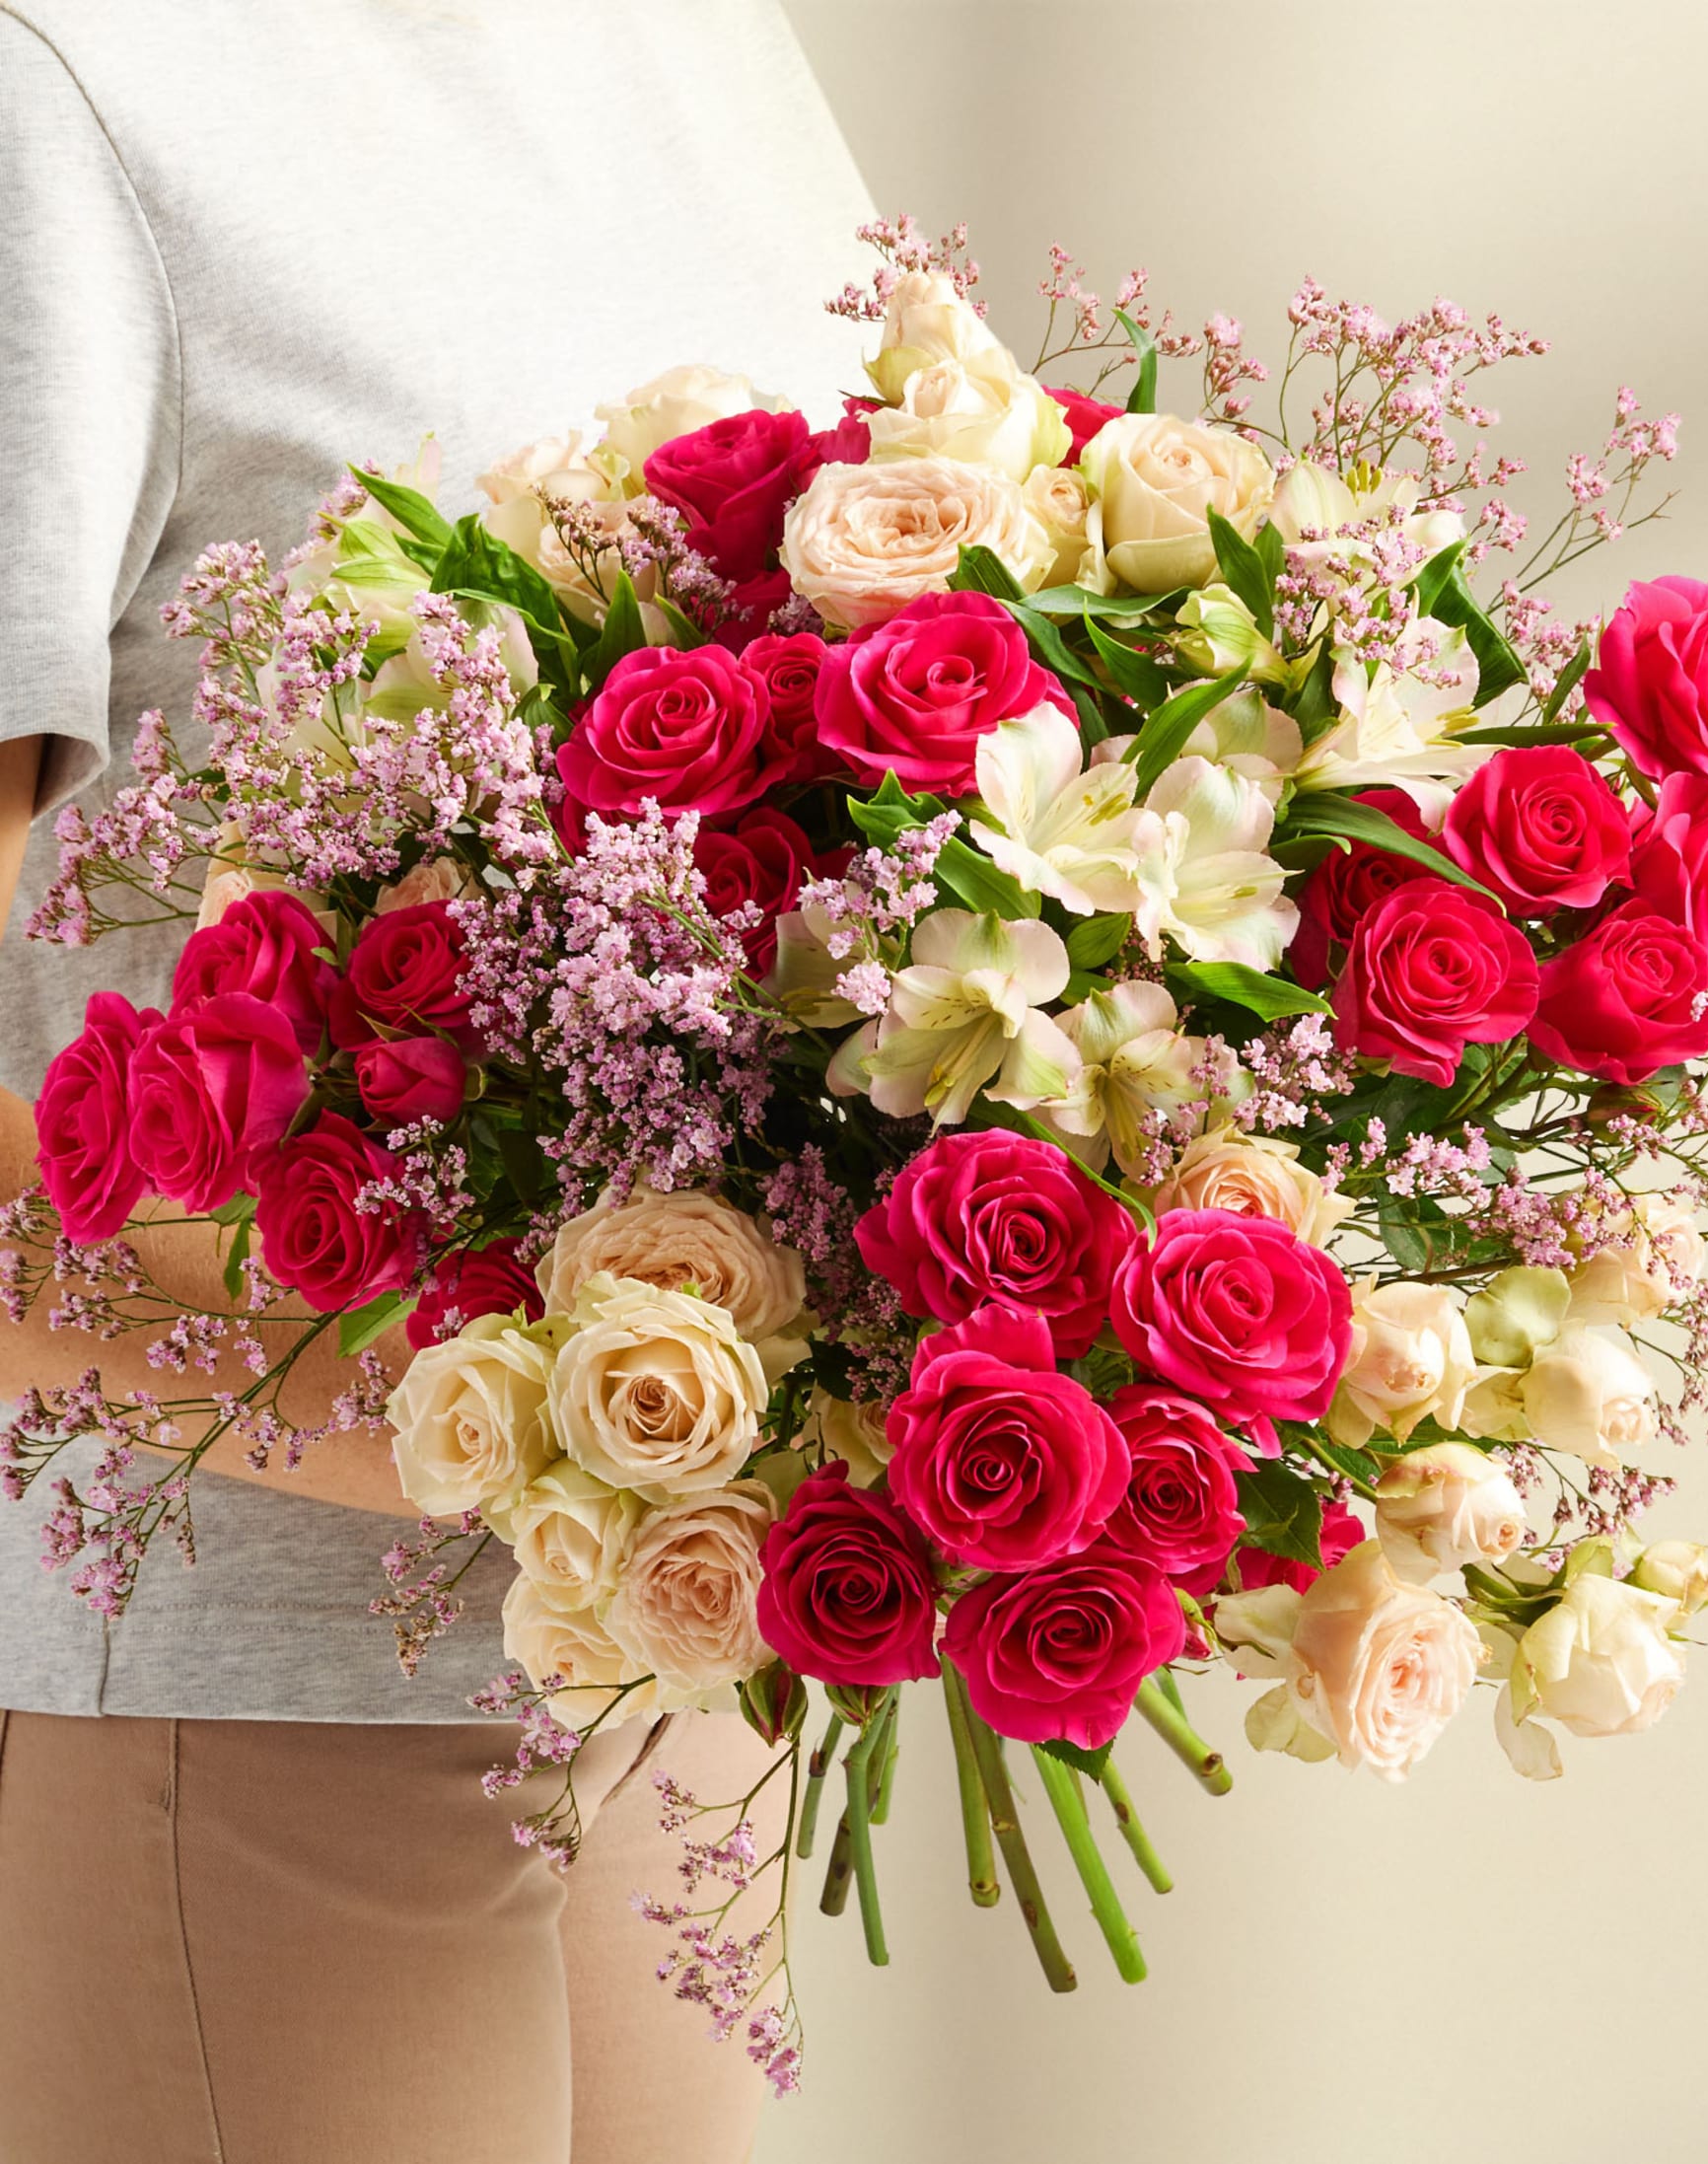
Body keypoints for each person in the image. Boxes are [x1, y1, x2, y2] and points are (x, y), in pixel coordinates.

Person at [0, 5, 872, 2158]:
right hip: (252, 1680)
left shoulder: (708, 50)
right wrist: (497, 1417)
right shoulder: (61, 86)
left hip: (679, 1657)